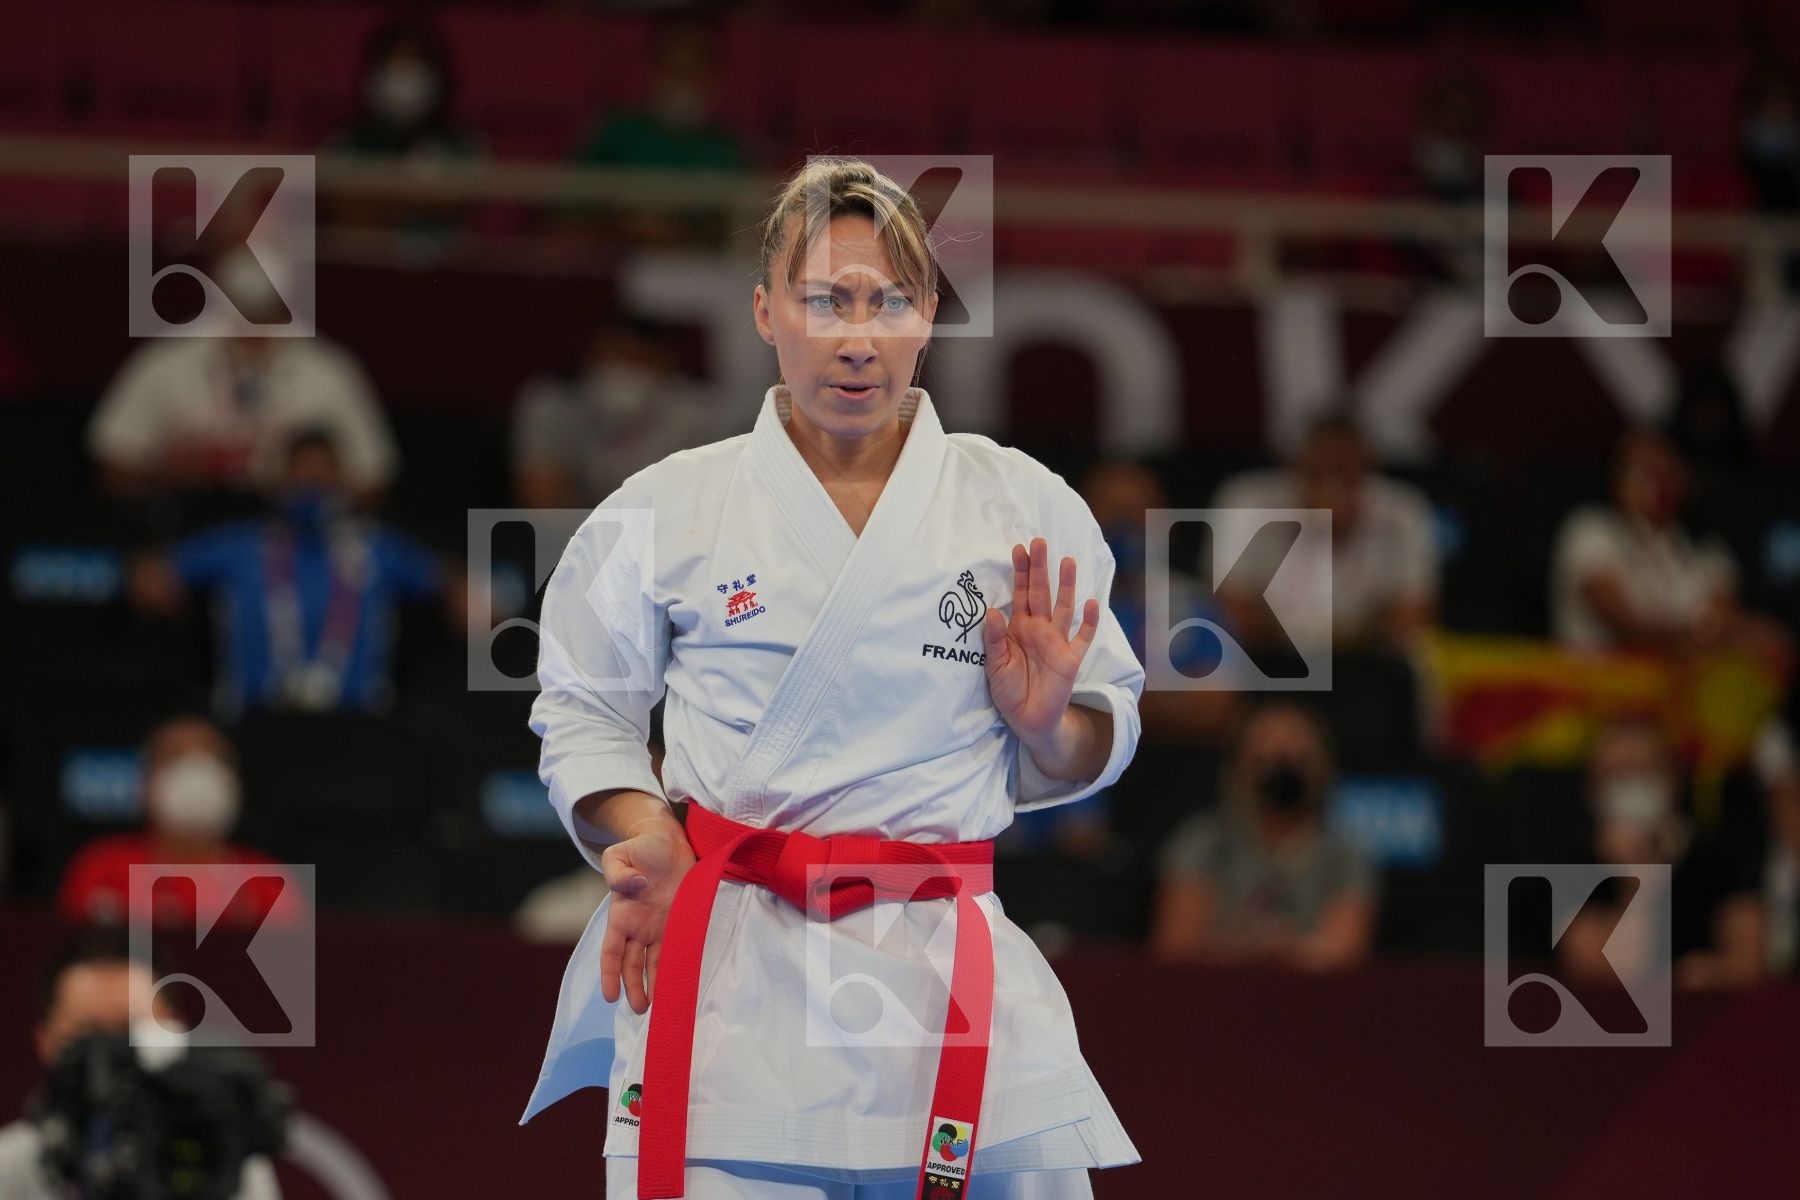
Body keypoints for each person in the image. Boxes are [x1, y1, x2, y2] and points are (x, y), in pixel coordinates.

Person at [521, 158, 1143, 1198]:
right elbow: (582, 708)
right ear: (766, 312)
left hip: (947, 976)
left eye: (889, 301)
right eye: (825, 301)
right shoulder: (667, 507)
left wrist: (1046, 727)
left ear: (929, 314)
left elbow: (1104, 722)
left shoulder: (1021, 505)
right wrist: (648, 829)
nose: (859, 338)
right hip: (736, 976)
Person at [129, 428, 460, 718]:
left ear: (345, 482)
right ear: (278, 482)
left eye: (324, 471)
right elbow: (152, 572)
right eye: (302, 470)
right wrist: (153, 581)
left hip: (359, 726)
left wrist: (465, 593)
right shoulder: (240, 544)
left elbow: (450, 579)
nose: (313, 482)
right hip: (255, 721)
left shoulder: (377, 547)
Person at [88, 248, 396, 502]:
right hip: (187, 520)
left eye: (264, 314)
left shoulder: (331, 371)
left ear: (285, 307)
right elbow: (111, 461)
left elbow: (373, 478)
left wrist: (308, 485)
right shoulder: (166, 361)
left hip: (291, 535)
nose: (252, 329)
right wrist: (164, 473)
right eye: (239, 312)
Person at [0, 928, 283, 1199]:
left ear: (174, 1031)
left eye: (132, 1034)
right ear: (46, 1041)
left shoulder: (221, 1161)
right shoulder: (9, 1165)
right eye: (88, 1037)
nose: (112, 1059)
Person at [1149, 701, 1378, 971]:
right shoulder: (1202, 842)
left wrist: (1283, 948)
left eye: (1297, 755)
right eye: (1267, 755)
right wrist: (1251, 947)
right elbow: (1175, 950)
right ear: (1238, 766)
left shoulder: (1346, 856)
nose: (1282, 764)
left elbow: (1345, 955)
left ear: (1324, 766)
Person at [1550, 426, 1790, 669]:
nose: (1658, 483)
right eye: (1645, 471)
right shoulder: (1590, 530)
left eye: (1667, 472)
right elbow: (1625, 625)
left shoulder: (1703, 551)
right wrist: (1699, 634)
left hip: (1679, 682)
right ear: (1617, 479)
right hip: (1597, 681)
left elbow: (1722, 619)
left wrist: (1740, 632)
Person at [1556, 720, 1764, 991]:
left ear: (1673, 778)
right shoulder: (1573, 868)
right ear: (1591, 789)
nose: (1629, 785)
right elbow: (1596, 967)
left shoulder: (1719, 861)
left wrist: (1716, 973)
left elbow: (1749, 958)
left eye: (1641, 769)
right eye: (1614, 773)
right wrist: (1638, 878)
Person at [1209, 412, 1438, 653]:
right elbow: (1230, 609)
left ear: (1367, 470)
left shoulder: (1404, 511)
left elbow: (1414, 616)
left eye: (1345, 474)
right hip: (1266, 655)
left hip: (1370, 659)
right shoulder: (1246, 503)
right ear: (1295, 466)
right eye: (1317, 473)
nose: (1331, 489)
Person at [57, 716, 303, 929]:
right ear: (145, 781)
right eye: (175, 758)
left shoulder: (268, 882)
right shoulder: (102, 870)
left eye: (214, 759)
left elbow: (290, 966)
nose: (196, 775)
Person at [511, 316, 716, 510]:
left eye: (640, 361)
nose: (626, 371)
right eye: (618, 357)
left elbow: (701, 505)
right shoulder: (555, 403)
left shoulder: (697, 413)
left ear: (667, 363)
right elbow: (543, 500)